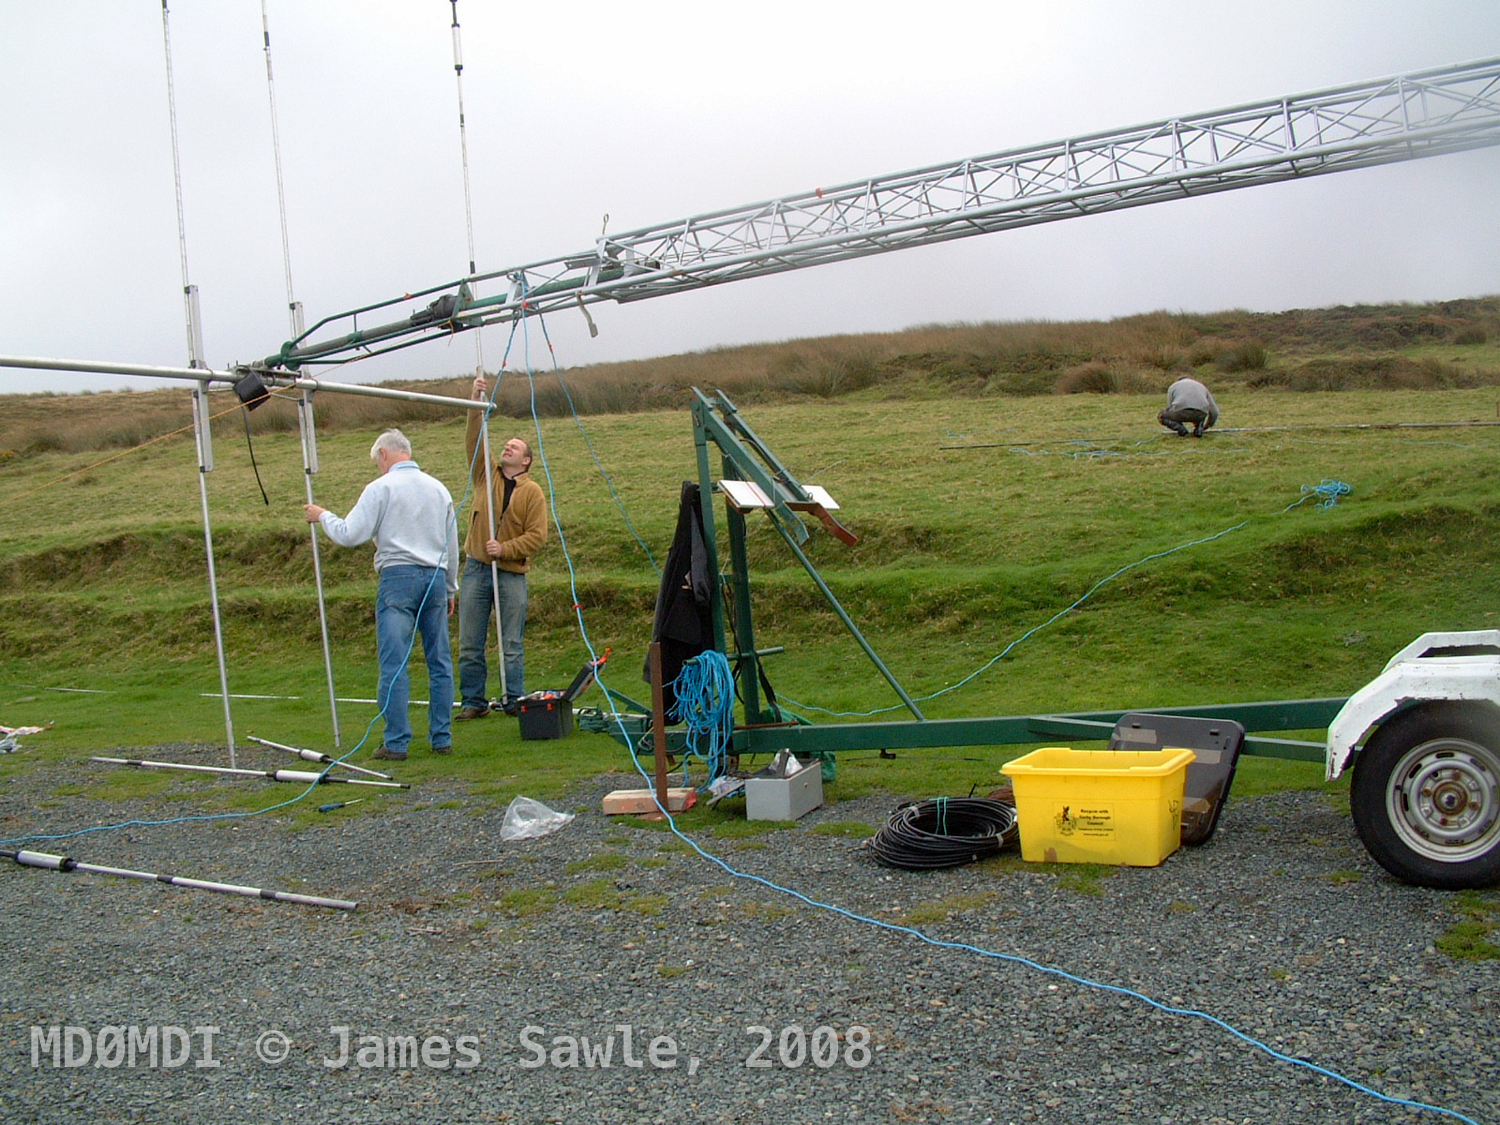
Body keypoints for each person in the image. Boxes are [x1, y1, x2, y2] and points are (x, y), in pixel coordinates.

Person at [305, 429, 459, 761]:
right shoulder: (439, 488)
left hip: (398, 577)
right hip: (435, 576)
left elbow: (351, 534)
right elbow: (453, 545)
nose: (378, 467)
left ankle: (396, 742)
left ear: (384, 455)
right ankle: (441, 737)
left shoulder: (381, 487)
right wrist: (450, 587)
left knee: (394, 662)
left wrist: (322, 516)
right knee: (440, 662)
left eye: (377, 461)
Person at [456, 374, 549, 719]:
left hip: (511, 574)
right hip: (476, 570)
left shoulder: (533, 492)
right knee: (470, 643)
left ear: (525, 461)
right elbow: (475, 439)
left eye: (514, 447)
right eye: (505, 445)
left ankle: (514, 700)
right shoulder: (486, 474)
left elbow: (537, 536)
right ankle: (473, 702)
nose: (506, 448)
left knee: (511, 644)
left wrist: (505, 548)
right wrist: (475, 403)